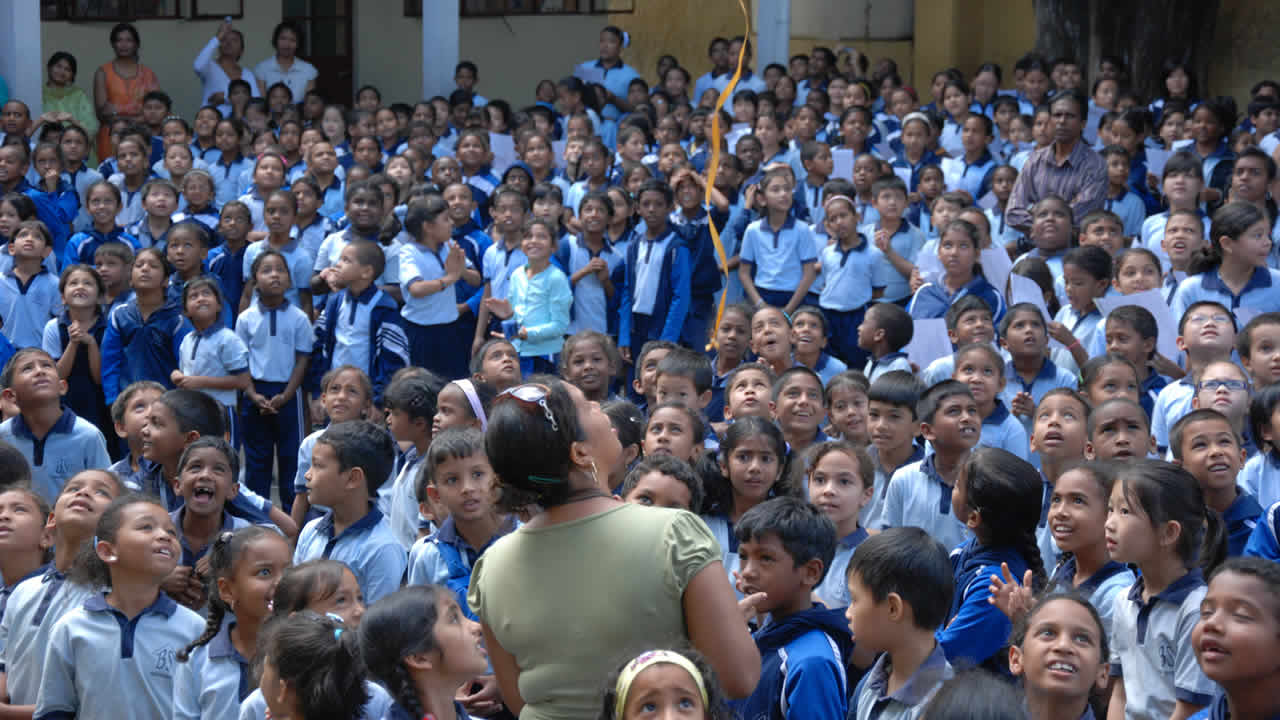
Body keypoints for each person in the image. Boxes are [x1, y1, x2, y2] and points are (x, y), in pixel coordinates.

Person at [468, 378, 760, 720]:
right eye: (587, 405)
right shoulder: (674, 533)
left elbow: (518, 699)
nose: (599, 406)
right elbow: (738, 678)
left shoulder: (492, 566)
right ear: (580, 453)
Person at [33, 495, 206, 720]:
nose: (165, 536)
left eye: (171, 532)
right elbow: (54, 710)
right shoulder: (72, 627)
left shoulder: (194, 628)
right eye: (146, 527)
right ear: (107, 551)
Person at [1105, 460, 1225, 720]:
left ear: (1169, 532)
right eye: (1110, 509)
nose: (1109, 523)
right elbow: (1120, 692)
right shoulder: (1124, 600)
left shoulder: (1196, 610)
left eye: (1124, 512)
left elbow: (1190, 708)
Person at [0, 470, 123, 716]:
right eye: (73, 488)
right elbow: (5, 663)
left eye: (101, 492)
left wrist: (8, 714)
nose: (84, 492)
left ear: (118, 527)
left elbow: (88, 701)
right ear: (51, 521)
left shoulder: (110, 598)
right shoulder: (24, 590)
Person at [733, 497, 853, 720]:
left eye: (765, 558)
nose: (747, 571)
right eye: (743, 556)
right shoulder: (758, 636)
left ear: (811, 572)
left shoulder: (812, 663)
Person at [171, 525, 291, 720]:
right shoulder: (200, 660)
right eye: (265, 572)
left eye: (289, 571)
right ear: (226, 590)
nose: (282, 582)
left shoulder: (305, 654)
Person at [845, 527, 956, 720]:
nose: (848, 613)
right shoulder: (871, 683)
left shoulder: (945, 706)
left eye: (855, 600)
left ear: (893, 608)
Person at [294, 420, 407, 604]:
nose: (307, 474)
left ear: (353, 478)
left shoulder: (382, 549)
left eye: (318, 465)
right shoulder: (310, 531)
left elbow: (378, 619)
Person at [0, 348, 111, 503]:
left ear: (62, 387)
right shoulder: (3, 436)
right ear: (10, 395)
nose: (39, 371)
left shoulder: (88, 436)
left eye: (46, 365)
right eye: (27, 368)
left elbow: (106, 491)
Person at [1004, 91, 1106, 234]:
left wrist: (1035, 211)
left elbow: (1080, 218)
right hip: (1034, 244)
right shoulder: (1035, 160)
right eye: (1057, 115)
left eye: (1070, 116)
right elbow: (1013, 214)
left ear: (1083, 123)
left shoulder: (1095, 165)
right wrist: (1060, 215)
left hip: (1075, 246)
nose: (1062, 121)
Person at [92, 23, 160, 161]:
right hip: (111, 136)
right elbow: (102, 113)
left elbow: (156, 111)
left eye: (128, 40)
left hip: (141, 136)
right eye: (119, 40)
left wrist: (118, 114)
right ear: (113, 44)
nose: (124, 44)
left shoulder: (148, 74)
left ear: (136, 44)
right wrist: (137, 117)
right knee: (110, 171)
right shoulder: (103, 72)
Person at [41, 52, 99, 156]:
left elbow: (91, 129)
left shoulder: (78, 95)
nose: (62, 71)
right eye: (58, 66)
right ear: (49, 67)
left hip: (77, 149)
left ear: (72, 75)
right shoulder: (39, 93)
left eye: (67, 69)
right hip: (47, 151)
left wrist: (71, 120)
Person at [194, 20, 259, 111]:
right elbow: (198, 66)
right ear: (218, 46)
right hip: (211, 118)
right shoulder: (210, 67)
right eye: (224, 39)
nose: (228, 43)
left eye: (234, 40)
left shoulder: (247, 74)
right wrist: (218, 37)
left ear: (241, 50)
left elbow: (256, 102)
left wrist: (226, 99)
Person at [253, 21, 318, 100]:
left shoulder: (308, 70)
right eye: (283, 38)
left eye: (292, 40)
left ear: (298, 44)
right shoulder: (262, 68)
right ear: (276, 40)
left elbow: (309, 103)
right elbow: (261, 103)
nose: (287, 44)